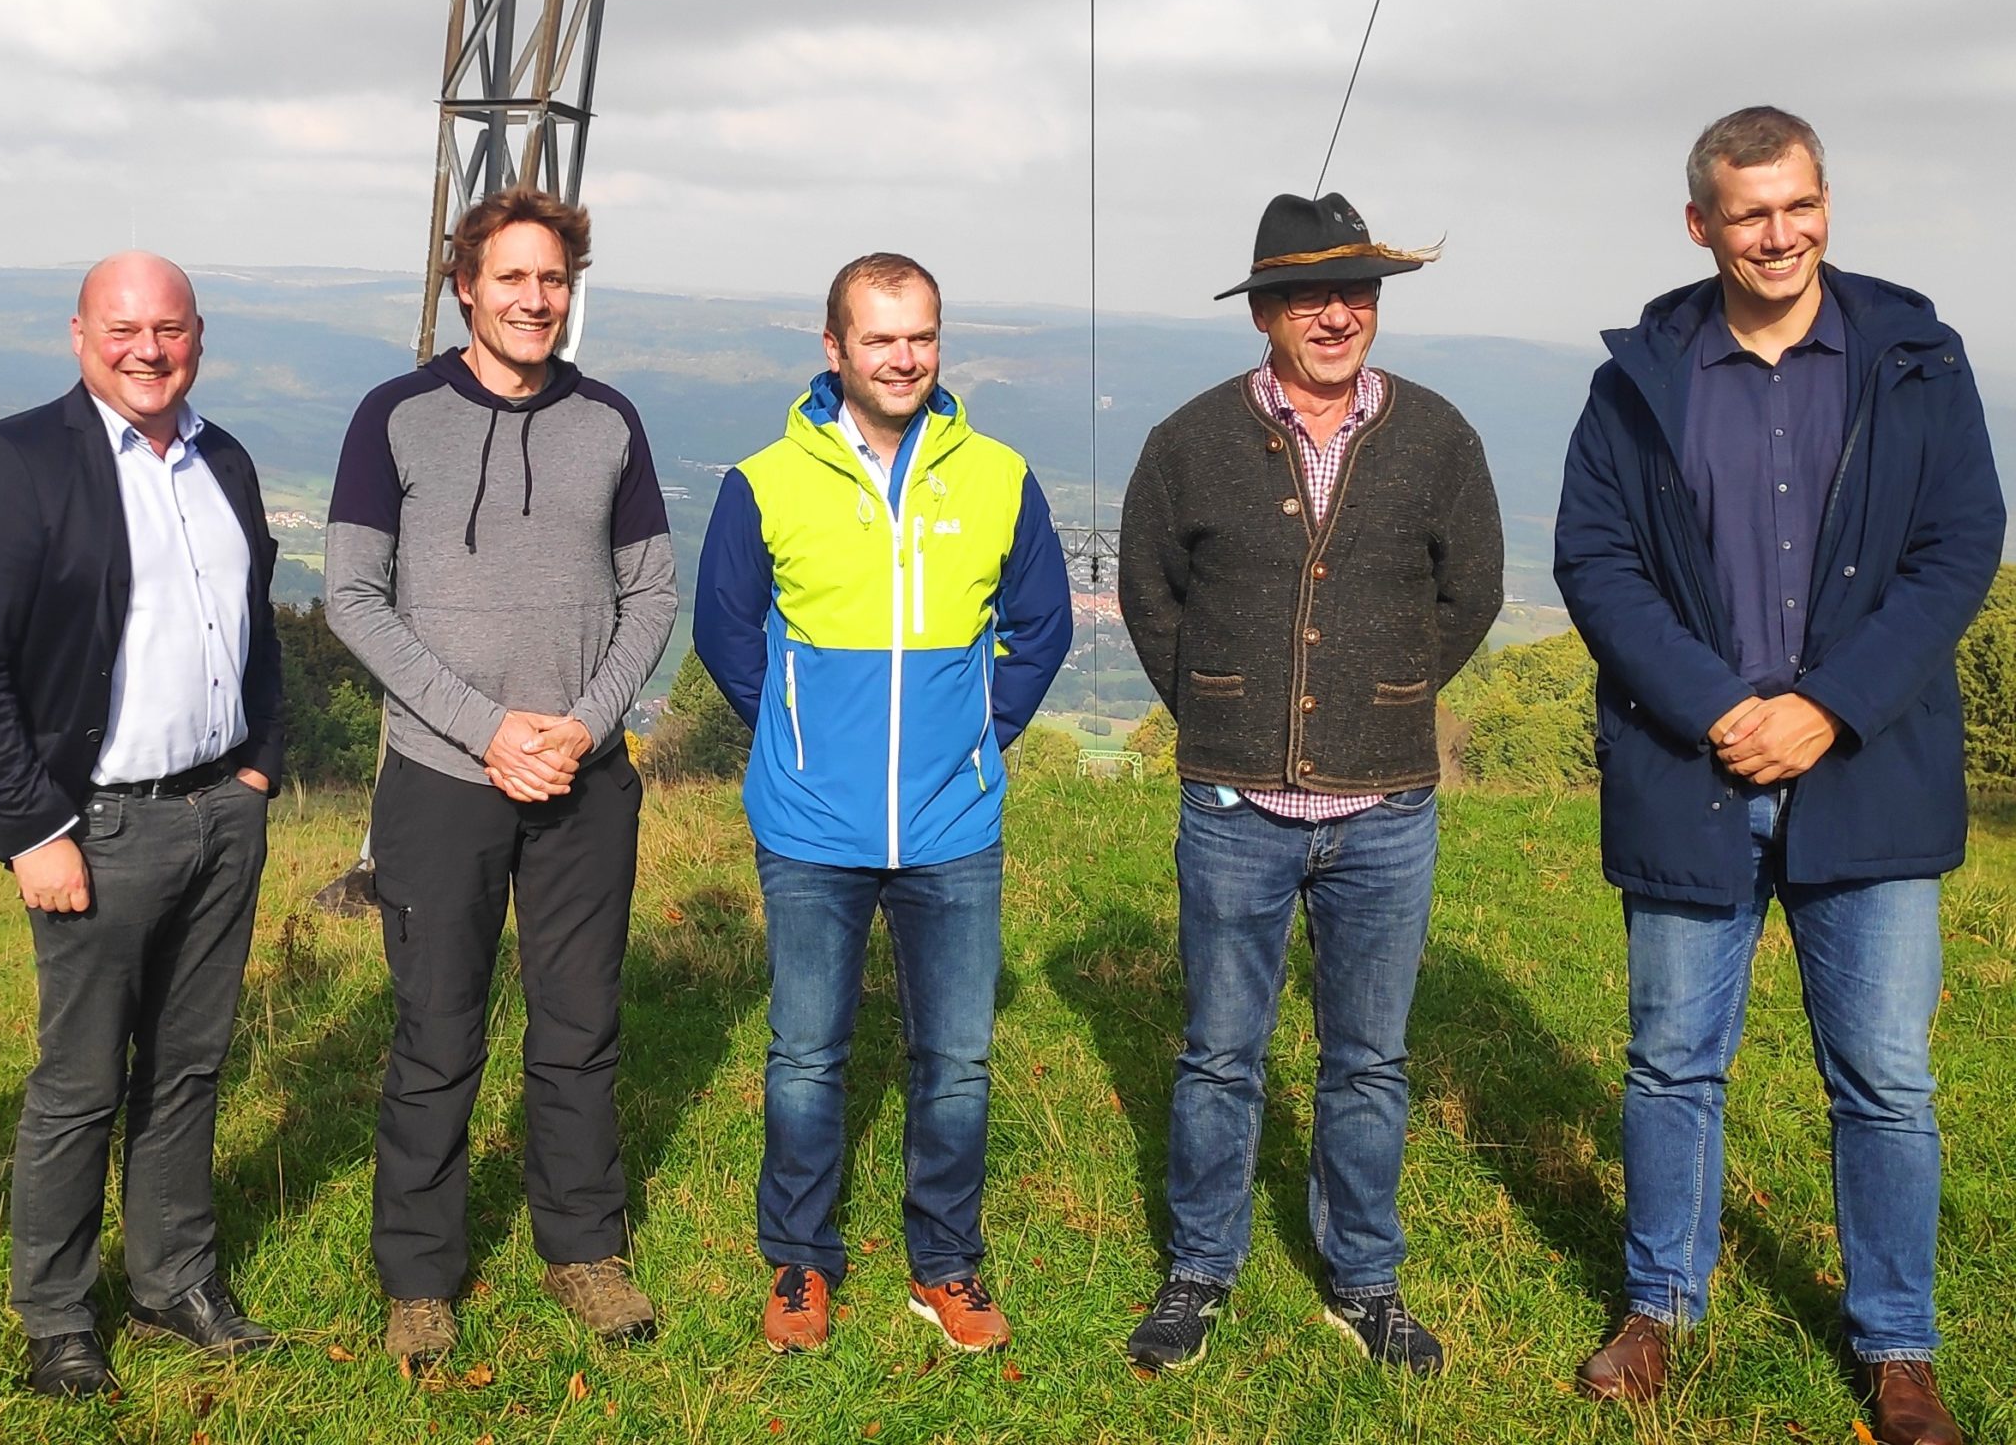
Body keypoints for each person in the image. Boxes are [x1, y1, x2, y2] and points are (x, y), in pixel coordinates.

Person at [1555, 109, 2001, 1445]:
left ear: (1825, 203)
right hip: (1692, 770)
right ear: (1701, 223)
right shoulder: (1642, 376)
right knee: (1674, 1063)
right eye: (1748, 213)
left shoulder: (1918, 360)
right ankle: (1658, 1310)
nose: (1778, 234)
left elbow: (1959, 545)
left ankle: (1899, 1346)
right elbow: (1596, 560)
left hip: (1865, 769)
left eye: (1798, 205)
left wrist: (1826, 709)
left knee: (1885, 1079)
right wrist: (1719, 709)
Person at [1114, 192, 1502, 1377]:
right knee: (1220, 1054)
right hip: (1234, 806)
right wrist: (1227, 707)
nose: (1336, 315)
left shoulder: (1438, 438)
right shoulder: (1189, 441)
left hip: (1384, 808)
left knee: (1369, 1060)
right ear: (1266, 311)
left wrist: (1382, 697)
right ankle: (1198, 1270)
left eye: (1357, 292)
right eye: (1308, 294)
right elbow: (1149, 594)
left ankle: (1364, 1279)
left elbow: (1468, 593)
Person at [694, 252, 1071, 1356]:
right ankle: (800, 1264)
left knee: (954, 1058)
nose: (902, 358)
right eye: (880, 338)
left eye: (921, 337)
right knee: (807, 1051)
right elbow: (727, 632)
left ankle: (944, 1265)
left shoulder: (998, 474)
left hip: (952, 824)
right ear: (834, 349)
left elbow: (1039, 627)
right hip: (810, 822)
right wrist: (799, 741)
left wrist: (976, 739)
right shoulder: (764, 480)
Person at [325, 186, 677, 1367]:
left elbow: (652, 597)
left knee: (579, 1028)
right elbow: (352, 599)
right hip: (440, 778)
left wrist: (580, 725)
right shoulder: (395, 417)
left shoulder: (610, 421)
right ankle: (419, 1279)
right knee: (437, 1032)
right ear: (464, 285)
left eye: (554, 279)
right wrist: (489, 729)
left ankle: (583, 1253)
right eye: (512, 278)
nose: (536, 300)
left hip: (585, 777)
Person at [0, 252, 285, 1399]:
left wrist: (259, 769)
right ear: (78, 334)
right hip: (99, 825)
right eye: (124, 327)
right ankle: (56, 1317)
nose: (148, 349)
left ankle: (172, 1277)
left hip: (220, 811)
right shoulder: (21, 461)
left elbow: (256, 624)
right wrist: (34, 828)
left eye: (169, 329)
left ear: (198, 337)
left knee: (188, 1065)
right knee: (79, 1081)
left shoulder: (220, 457)